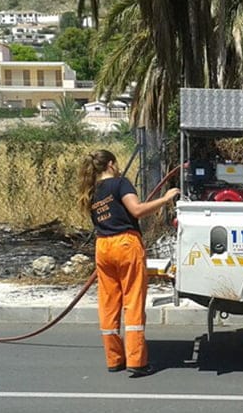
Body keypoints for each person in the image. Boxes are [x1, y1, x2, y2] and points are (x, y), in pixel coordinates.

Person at [77, 150, 180, 377]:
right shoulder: (120, 184)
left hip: (103, 247)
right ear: (111, 164)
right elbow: (137, 210)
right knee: (132, 301)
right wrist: (166, 198)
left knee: (109, 303)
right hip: (125, 244)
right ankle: (136, 361)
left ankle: (114, 359)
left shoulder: (92, 192)